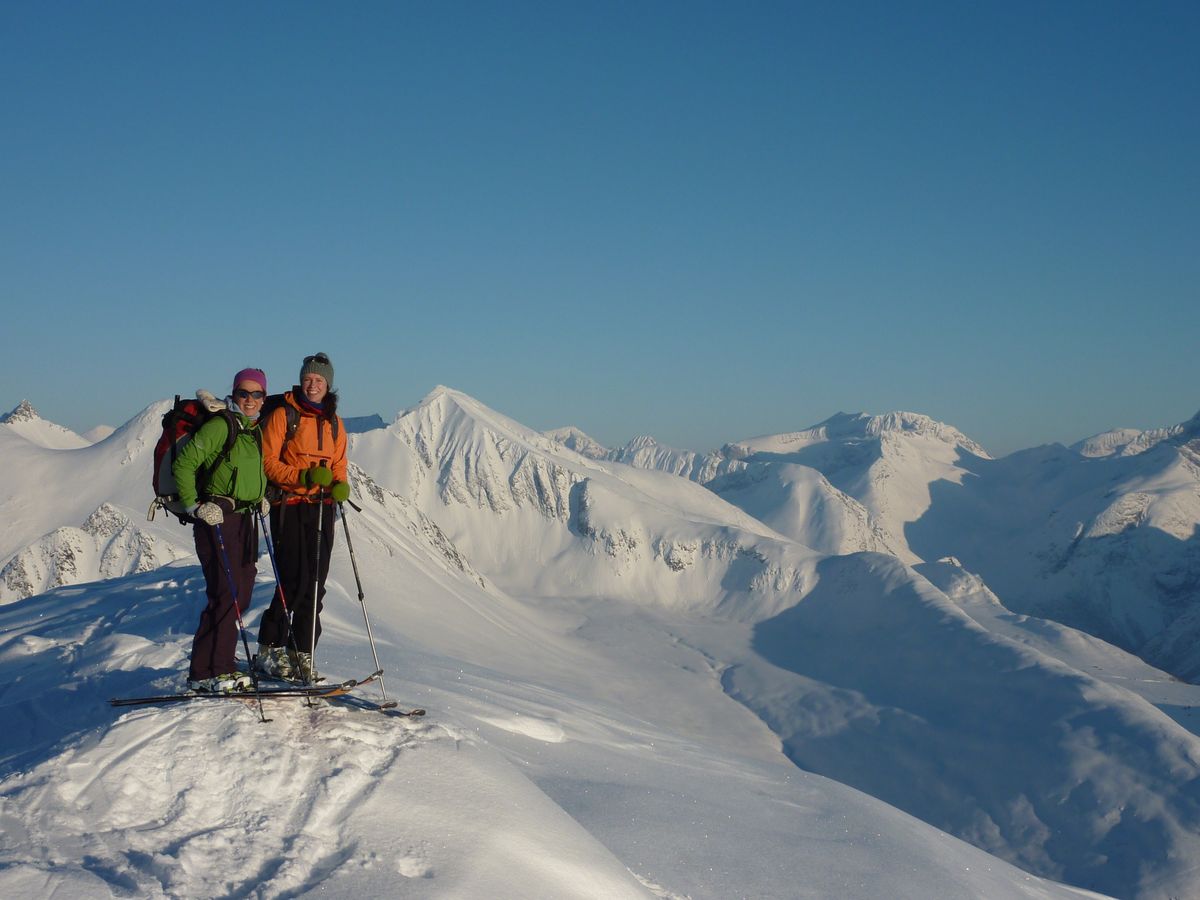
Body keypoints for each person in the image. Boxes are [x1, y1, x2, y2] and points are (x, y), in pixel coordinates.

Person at [172, 368, 269, 693]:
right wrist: (194, 506)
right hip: (216, 517)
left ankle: (223, 663)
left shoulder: (252, 429)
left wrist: (261, 496)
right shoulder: (221, 426)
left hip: (244, 518)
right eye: (245, 393)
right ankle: (206, 671)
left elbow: (249, 471)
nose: (251, 400)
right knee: (225, 592)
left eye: (258, 394)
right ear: (234, 394)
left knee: (241, 590)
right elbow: (183, 465)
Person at [255, 352, 350, 682]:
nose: (313, 385)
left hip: (322, 509)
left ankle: (303, 653)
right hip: (290, 506)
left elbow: (339, 463)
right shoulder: (285, 415)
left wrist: (340, 486)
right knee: (292, 580)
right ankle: (271, 647)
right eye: (308, 379)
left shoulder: (335, 422)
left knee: (315, 583)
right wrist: (304, 478)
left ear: (328, 385)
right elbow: (268, 462)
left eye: (319, 380)